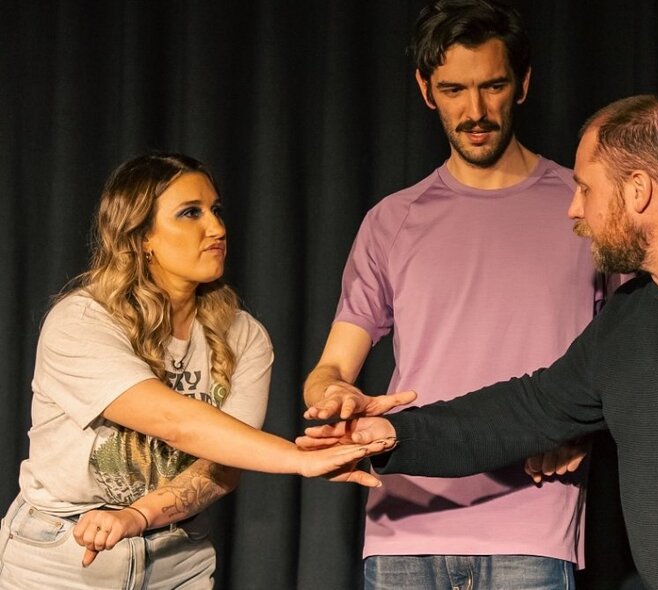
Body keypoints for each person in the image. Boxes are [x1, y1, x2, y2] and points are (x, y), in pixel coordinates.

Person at [301, 95, 658, 589]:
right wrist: (391, 435)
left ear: (636, 191)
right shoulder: (628, 320)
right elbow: (524, 409)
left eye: (584, 189)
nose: (574, 210)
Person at [302, 1, 624, 588]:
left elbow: (636, 354)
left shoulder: (584, 208)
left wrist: (583, 427)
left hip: (531, 529)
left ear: (522, 84)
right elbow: (330, 368)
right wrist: (333, 397)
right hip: (403, 528)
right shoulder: (392, 220)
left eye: (492, 85)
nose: (474, 111)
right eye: (453, 89)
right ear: (427, 90)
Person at [0, 153, 391, 590]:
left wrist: (138, 515)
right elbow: (175, 422)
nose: (218, 229)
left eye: (216, 210)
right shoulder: (81, 320)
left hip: (177, 559)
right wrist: (298, 459)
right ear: (142, 236)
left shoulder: (245, 336)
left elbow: (222, 465)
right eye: (190, 213)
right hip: (63, 558)